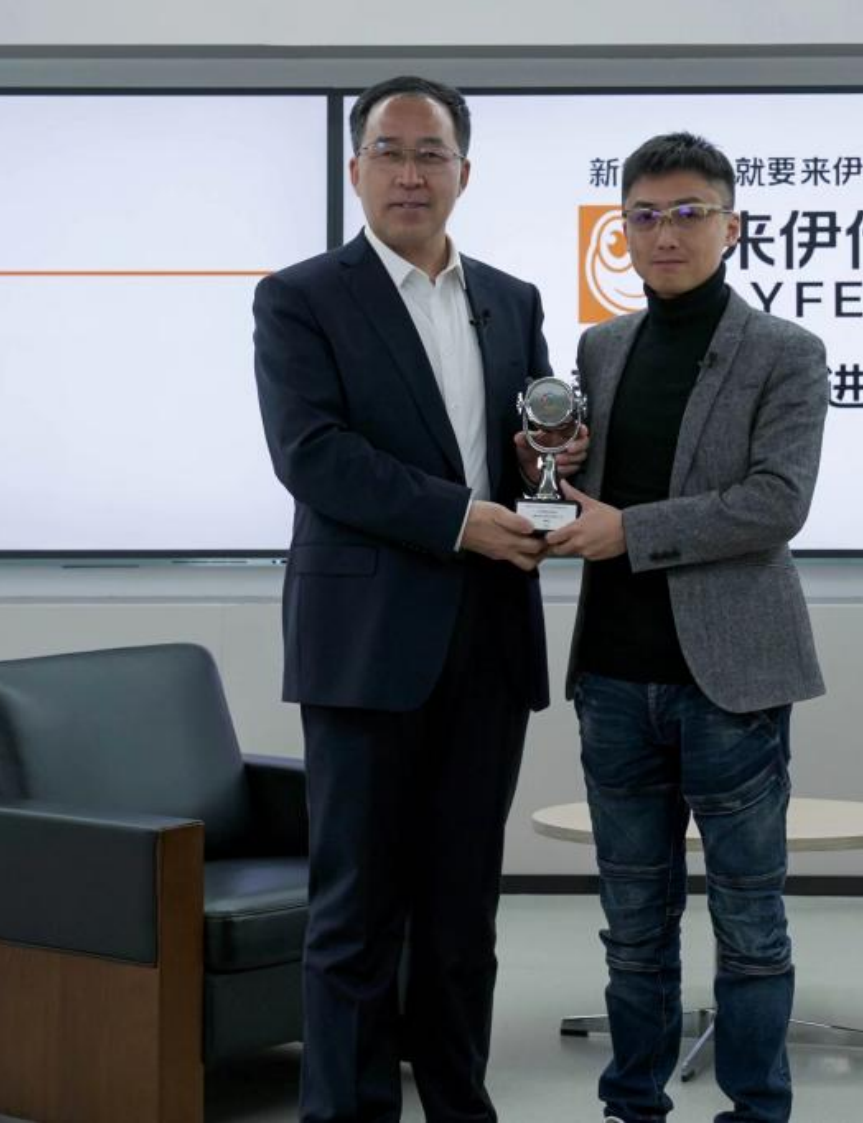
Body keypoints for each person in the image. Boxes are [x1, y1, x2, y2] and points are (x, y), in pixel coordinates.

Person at [252, 75, 586, 1123]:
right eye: (389, 152)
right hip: (364, 644)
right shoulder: (300, 298)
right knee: (354, 912)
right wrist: (461, 519)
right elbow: (313, 456)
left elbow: (528, 446)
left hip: (487, 640)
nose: (410, 173)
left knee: (460, 913)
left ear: (463, 173)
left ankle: (458, 1107)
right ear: (354, 169)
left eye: (430, 153)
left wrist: (549, 458)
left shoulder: (511, 298)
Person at [542, 131, 832, 1123]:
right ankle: (632, 1106)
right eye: (644, 216)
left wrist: (630, 531)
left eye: (688, 214)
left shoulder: (785, 351)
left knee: (749, 925)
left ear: (730, 226)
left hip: (731, 680)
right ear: (620, 230)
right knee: (631, 927)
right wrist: (551, 468)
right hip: (613, 676)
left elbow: (775, 503)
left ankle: (755, 1110)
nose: (664, 234)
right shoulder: (600, 348)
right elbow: (584, 489)